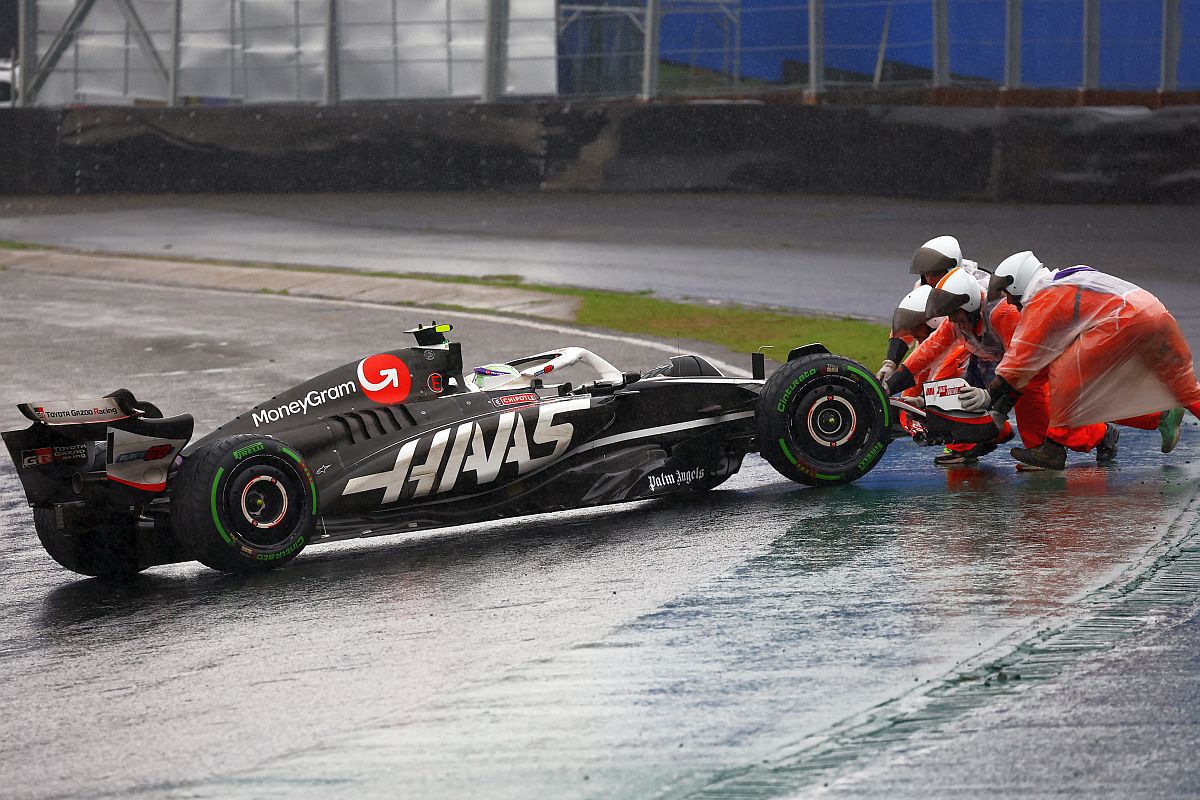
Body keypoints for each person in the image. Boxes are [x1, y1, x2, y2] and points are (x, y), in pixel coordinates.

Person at [959, 252, 1199, 470]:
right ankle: (1163, 415)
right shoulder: (1068, 277)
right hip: (1155, 312)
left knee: (1064, 370)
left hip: (1123, 320)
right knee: (1188, 391)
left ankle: (1053, 448)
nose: (1009, 302)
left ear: (1019, 284)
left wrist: (990, 395)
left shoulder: (1043, 296)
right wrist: (1003, 405)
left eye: (1009, 295)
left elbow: (1021, 359)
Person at [885, 265, 1116, 467]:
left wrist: (998, 405)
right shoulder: (958, 319)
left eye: (954, 314)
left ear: (969, 304)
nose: (952, 320)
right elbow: (928, 351)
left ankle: (1100, 434)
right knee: (953, 394)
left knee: (1038, 412)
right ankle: (987, 438)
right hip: (1002, 364)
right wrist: (888, 383)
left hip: (1035, 365)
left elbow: (1022, 365)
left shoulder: (1002, 315)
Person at [877, 235, 982, 383]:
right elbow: (910, 322)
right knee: (909, 394)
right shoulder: (922, 286)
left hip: (970, 353)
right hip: (934, 347)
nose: (931, 280)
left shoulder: (974, 288)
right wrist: (890, 362)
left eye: (937, 273)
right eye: (927, 273)